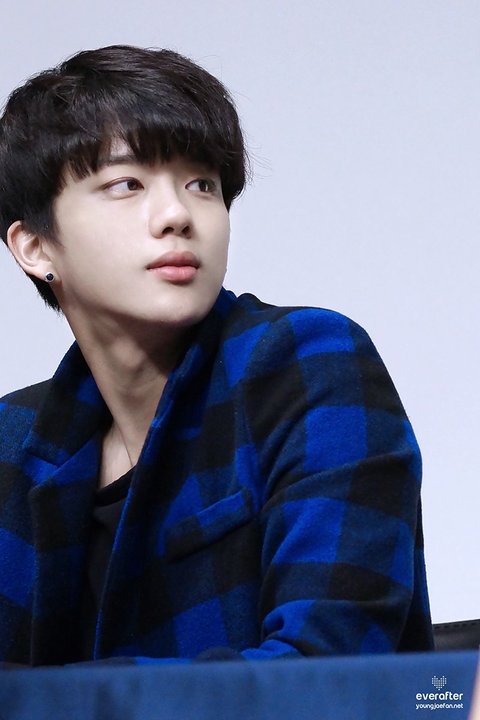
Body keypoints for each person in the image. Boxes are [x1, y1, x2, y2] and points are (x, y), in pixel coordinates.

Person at [0, 45, 433, 666]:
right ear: (35, 247)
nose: (177, 215)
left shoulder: (308, 364)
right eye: (126, 184)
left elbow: (325, 669)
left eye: (202, 184)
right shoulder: (13, 443)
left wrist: (49, 701)